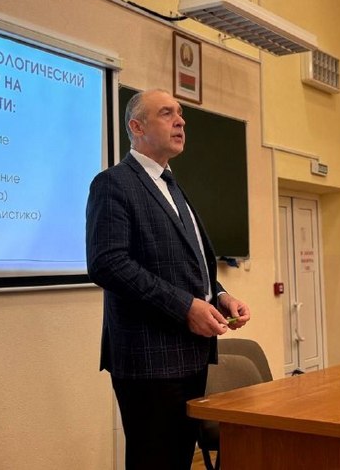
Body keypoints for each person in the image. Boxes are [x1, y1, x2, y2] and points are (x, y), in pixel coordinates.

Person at [86, 88, 251, 470]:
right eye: (167, 113)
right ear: (136, 127)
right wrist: (185, 307)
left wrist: (219, 295)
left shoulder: (172, 185)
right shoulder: (114, 183)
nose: (181, 121)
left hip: (190, 354)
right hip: (149, 359)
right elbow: (107, 263)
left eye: (180, 113)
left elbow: (187, 264)